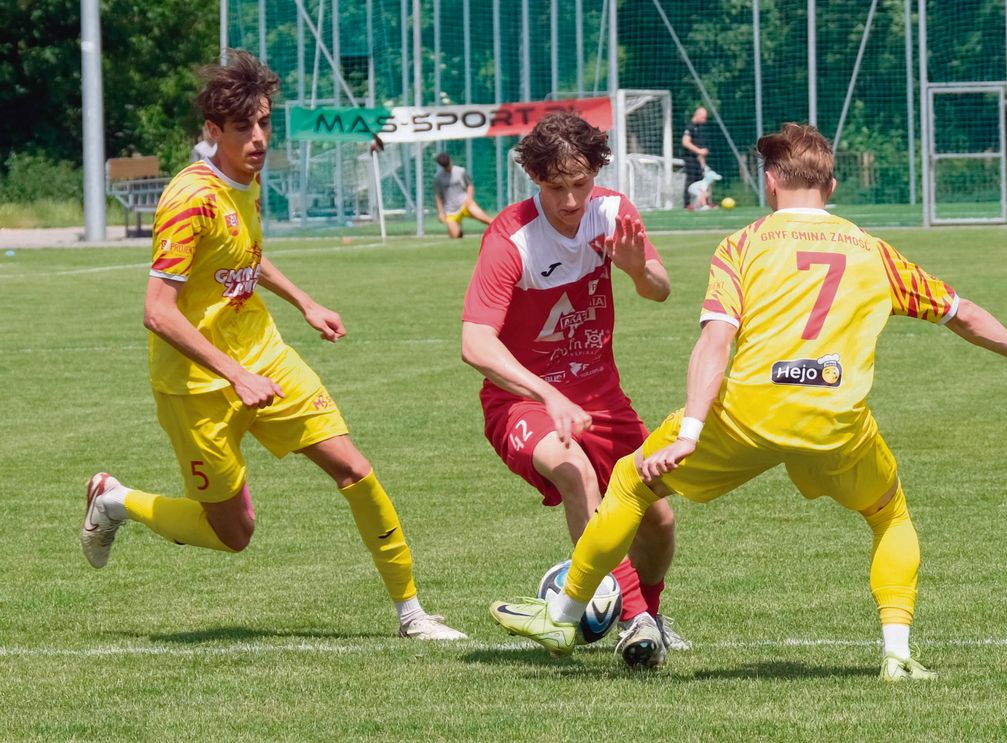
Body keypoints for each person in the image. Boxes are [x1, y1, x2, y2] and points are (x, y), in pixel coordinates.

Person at [490, 122, 1007, 677]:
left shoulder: (743, 244)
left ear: (769, 180)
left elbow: (715, 342)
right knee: (888, 514)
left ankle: (564, 617)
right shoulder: (873, 251)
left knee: (630, 482)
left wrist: (691, 432)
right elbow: (963, 314)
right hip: (836, 422)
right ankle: (896, 652)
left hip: (747, 415)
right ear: (832, 187)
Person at [81, 50, 466, 642]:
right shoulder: (190, 200)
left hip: (265, 353)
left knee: (355, 470)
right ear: (214, 132)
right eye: (243, 128)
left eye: (264, 122)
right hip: (197, 384)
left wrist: (305, 302)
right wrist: (234, 374)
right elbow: (157, 312)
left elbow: (247, 257)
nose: (258, 138)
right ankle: (114, 500)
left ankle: (412, 614)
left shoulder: (249, 180)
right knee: (234, 534)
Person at [461, 112, 687, 669]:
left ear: (597, 173)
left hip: (603, 399)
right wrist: (548, 394)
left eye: (579, 184)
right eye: (555, 187)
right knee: (573, 472)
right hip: (522, 401)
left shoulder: (612, 212)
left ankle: (649, 615)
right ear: (535, 180)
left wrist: (637, 270)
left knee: (657, 521)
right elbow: (475, 344)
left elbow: (660, 290)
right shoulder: (510, 237)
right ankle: (633, 619)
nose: (569, 200)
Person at [434, 152, 493, 238]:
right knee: (455, 236)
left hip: (465, 204)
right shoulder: (438, 177)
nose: (447, 168)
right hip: (450, 210)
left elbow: (470, 185)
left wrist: (469, 199)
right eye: (445, 166)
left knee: (486, 220)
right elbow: (438, 196)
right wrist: (441, 212)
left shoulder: (460, 171)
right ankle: (457, 229)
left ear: (450, 160)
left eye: (448, 165)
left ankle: (504, 229)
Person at [681, 107, 710, 210]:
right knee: (691, 180)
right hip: (690, 160)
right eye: (703, 118)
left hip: (698, 160)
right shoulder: (690, 127)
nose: (704, 120)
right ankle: (687, 204)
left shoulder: (699, 128)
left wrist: (702, 157)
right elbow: (685, 142)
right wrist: (699, 151)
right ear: (697, 115)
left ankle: (702, 203)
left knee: (702, 181)